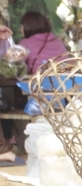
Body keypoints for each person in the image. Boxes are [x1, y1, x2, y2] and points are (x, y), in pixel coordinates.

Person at [0, 12, 67, 165]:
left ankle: (15, 143)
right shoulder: (58, 42)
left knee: (9, 104)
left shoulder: (25, 44)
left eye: (21, 26)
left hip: (37, 100)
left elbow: (9, 68)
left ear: (26, 27)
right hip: (63, 98)